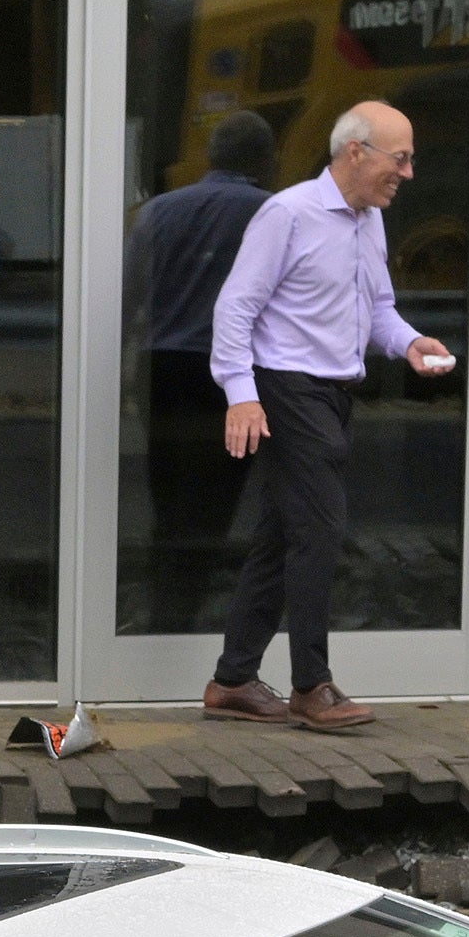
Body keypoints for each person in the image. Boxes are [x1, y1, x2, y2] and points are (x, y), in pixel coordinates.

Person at [204, 99, 453, 732]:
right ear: (355, 153)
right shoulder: (287, 213)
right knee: (319, 531)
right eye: (400, 159)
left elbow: (379, 311)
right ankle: (311, 686)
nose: (409, 173)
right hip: (287, 388)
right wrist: (241, 393)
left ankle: (232, 679)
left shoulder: (369, 221)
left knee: (281, 536)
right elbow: (235, 308)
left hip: (335, 393)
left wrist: (410, 343)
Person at [125, 111, 278, 632]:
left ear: (211, 157)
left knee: (167, 493)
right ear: (264, 160)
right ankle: (180, 616)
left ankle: (161, 613)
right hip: (232, 375)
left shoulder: (158, 212)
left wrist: (129, 361)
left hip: (162, 367)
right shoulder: (273, 214)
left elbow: (130, 296)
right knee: (215, 500)